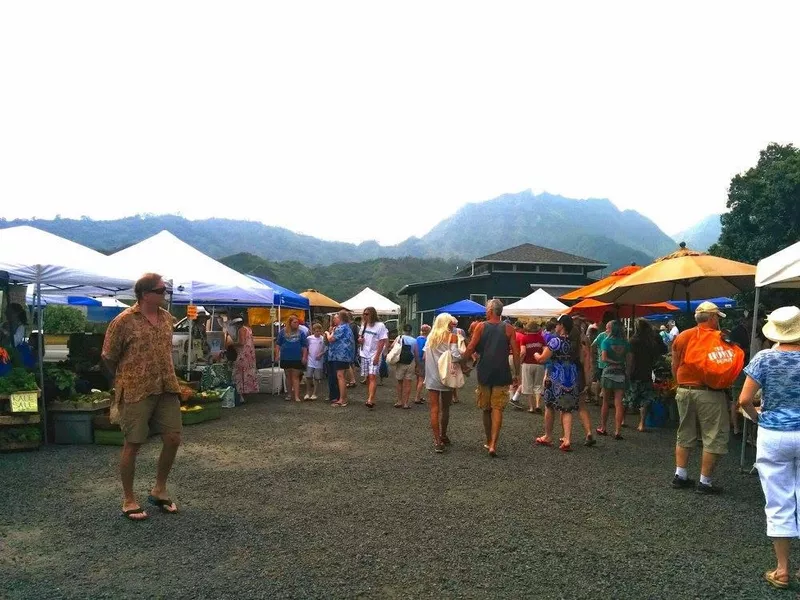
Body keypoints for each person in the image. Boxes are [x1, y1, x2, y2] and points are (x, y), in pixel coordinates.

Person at [101, 273, 182, 521]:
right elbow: (107, 356)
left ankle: (159, 489)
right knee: (133, 443)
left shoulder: (168, 319)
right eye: (161, 291)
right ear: (145, 294)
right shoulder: (123, 321)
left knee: (173, 438)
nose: (165, 295)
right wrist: (119, 384)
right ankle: (129, 499)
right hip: (136, 389)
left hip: (166, 386)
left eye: (166, 291)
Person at [738, 306, 800, 590]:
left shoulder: (764, 357)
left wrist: (758, 417)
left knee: (778, 500)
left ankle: (783, 570)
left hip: (774, 434)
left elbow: (744, 400)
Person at [671, 301, 734, 494]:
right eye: (717, 318)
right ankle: (705, 482)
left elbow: (675, 364)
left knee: (685, 431)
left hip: (684, 389)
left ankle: (680, 475)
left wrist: (679, 384)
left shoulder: (683, 336)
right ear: (713, 318)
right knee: (712, 434)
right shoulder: (719, 337)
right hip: (709, 392)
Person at [464, 299, 520, 457]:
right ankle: (494, 444)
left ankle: (488, 440)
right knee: (498, 408)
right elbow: (516, 352)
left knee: (486, 408)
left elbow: (471, 347)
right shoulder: (509, 328)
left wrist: (461, 362)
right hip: (502, 371)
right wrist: (517, 373)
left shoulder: (481, 327)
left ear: (490, 311)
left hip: (484, 371)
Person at [533, 314, 583, 452]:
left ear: (562, 326)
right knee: (567, 409)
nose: (556, 326)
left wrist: (536, 355)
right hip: (570, 376)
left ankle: (548, 436)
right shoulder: (572, 342)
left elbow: (542, 359)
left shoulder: (555, 341)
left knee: (549, 406)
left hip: (555, 375)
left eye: (558, 324)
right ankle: (567, 439)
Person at [424, 313, 463, 452]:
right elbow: (456, 356)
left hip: (432, 376)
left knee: (434, 408)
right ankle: (443, 434)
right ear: (446, 323)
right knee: (445, 408)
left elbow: (424, 356)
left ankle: (437, 441)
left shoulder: (430, 337)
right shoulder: (451, 337)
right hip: (446, 377)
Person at [626, 319, 667, 432]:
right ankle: (642, 423)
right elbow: (660, 354)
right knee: (646, 399)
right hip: (647, 372)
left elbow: (630, 358)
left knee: (628, 397)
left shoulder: (633, 341)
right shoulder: (651, 342)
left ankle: (622, 421)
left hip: (634, 372)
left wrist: (627, 372)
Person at [597, 320, 632, 440]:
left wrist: (613, 362)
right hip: (621, 373)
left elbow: (604, 358)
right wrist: (624, 369)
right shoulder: (625, 343)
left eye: (608, 328)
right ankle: (617, 431)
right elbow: (629, 360)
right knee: (619, 403)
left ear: (611, 329)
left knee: (606, 401)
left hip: (608, 373)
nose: (606, 330)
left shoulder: (606, 342)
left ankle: (603, 427)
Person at [358, 307, 388, 409]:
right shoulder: (364, 325)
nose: (365, 316)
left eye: (367, 314)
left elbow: (382, 341)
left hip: (374, 354)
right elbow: (360, 337)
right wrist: (360, 340)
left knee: (372, 376)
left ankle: (371, 399)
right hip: (364, 353)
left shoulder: (380, 326)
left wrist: (377, 356)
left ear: (372, 315)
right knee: (367, 377)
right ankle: (370, 396)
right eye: (364, 314)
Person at [325, 310, 355, 407]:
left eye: (336, 317)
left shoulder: (341, 328)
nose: (334, 319)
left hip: (340, 355)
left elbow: (331, 339)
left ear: (341, 318)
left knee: (340, 376)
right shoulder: (346, 327)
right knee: (341, 376)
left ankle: (342, 399)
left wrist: (327, 333)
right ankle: (343, 398)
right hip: (342, 355)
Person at [276, 315, 309, 403]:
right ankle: (289, 394)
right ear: (290, 323)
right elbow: (278, 344)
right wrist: (277, 355)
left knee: (295, 376)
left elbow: (304, 346)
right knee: (288, 376)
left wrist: (304, 356)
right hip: (285, 357)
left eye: (297, 322)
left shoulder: (301, 333)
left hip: (297, 357)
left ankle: (296, 396)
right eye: (295, 322)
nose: (297, 324)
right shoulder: (282, 332)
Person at [229, 313, 259, 403]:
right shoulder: (248, 329)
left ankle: (240, 394)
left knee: (239, 373)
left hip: (243, 353)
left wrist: (231, 344)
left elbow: (241, 342)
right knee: (247, 372)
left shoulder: (241, 330)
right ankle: (247, 391)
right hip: (250, 354)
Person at [517, 320, 546, 413]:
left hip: (527, 364)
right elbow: (545, 350)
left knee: (528, 385)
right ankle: (538, 405)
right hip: (539, 364)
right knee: (538, 385)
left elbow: (523, 352)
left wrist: (519, 362)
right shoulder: (541, 338)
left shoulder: (524, 338)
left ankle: (531, 407)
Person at [393, 323, 419, 409]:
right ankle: (406, 403)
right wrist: (417, 365)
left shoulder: (399, 338)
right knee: (408, 382)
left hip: (400, 362)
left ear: (403, 330)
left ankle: (399, 401)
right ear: (411, 331)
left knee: (400, 382)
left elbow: (393, 347)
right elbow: (416, 353)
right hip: (410, 362)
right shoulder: (414, 340)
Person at [304, 323, 325, 400]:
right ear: (313, 331)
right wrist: (305, 357)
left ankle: (314, 393)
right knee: (308, 376)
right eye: (316, 331)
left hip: (319, 361)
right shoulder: (309, 338)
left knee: (317, 378)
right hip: (310, 360)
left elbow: (326, 348)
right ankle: (307, 392)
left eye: (319, 331)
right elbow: (306, 348)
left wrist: (321, 354)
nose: (318, 333)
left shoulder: (323, 339)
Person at [414, 324, 431, 404]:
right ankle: (417, 397)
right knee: (421, 379)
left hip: (416, 359)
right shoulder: (428, 340)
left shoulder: (417, 339)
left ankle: (418, 395)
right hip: (423, 360)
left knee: (418, 378)